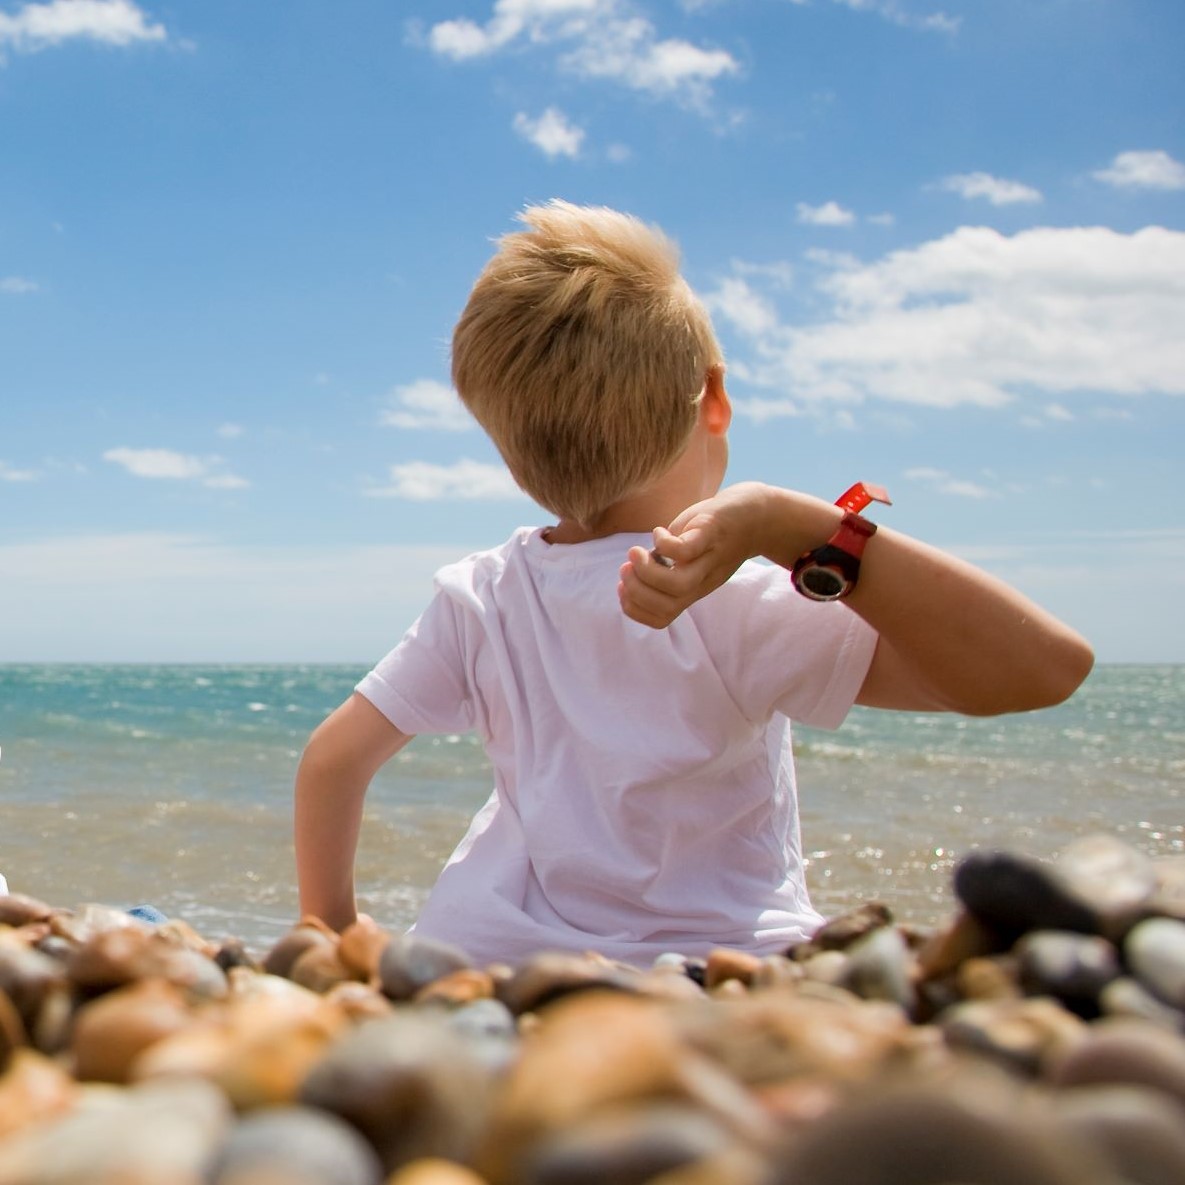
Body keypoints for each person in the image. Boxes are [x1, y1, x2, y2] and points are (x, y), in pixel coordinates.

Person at [294, 200, 1094, 968]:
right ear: (714, 398)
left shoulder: (482, 594)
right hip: (716, 961)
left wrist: (330, 931)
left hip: (486, 952)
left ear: (506, 445)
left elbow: (334, 761)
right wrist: (799, 526)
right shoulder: (733, 599)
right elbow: (1040, 669)